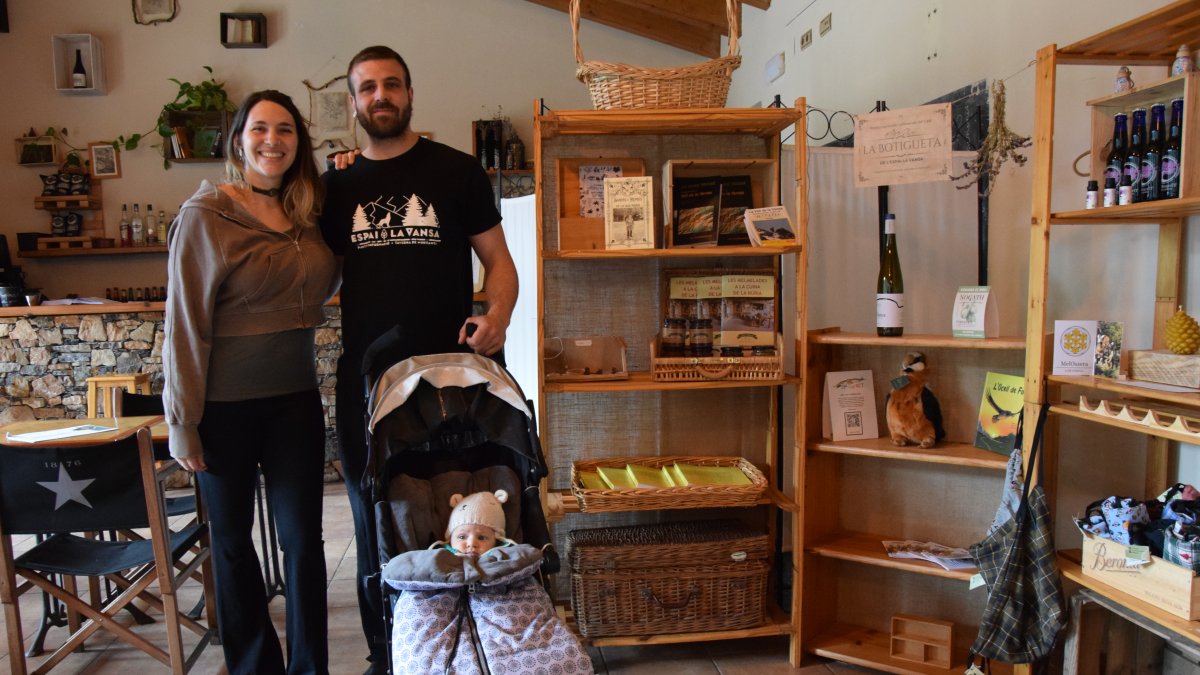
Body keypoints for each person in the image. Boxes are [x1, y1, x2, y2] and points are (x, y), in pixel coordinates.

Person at [319, 46, 518, 674]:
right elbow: (317, 280)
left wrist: (498, 317)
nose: (381, 96)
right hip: (370, 385)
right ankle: (389, 655)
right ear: (353, 103)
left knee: (456, 509)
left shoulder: (457, 172)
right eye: (368, 88)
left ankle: (465, 643)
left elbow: (501, 265)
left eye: (392, 85)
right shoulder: (336, 186)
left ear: (410, 94)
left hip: (452, 381)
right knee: (372, 512)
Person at [163, 90, 339, 675]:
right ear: (238, 138)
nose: (273, 140)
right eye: (260, 128)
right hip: (222, 408)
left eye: (285, 129)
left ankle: (310, 667)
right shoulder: (206, 214)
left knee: (302, 542)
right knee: (234, 545)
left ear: (299, 141)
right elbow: (186, 325)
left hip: (294, 403)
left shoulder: (309, 212)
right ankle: (255, 667)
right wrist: (182, 422)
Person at [441, 490, 513, 556]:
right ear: (450, 538)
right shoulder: (439, 557)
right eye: (461, 537)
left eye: (481, 538)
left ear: (496, 540)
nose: (471, 544)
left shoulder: (505, 557)